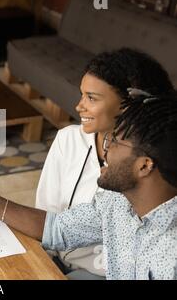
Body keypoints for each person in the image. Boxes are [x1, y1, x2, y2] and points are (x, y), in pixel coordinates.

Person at [0, 94, 177, 280]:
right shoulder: (116, 202)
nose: (105, 149)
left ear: (145, 166)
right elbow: (56, 228)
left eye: (114, 142)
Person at [34, 48, 175, 278]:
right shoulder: (68, 139)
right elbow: (49, 218)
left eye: (91, 97)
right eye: (82, 95)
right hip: (57, 263)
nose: (79, 106)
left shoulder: (153, 170)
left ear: (129, 105)